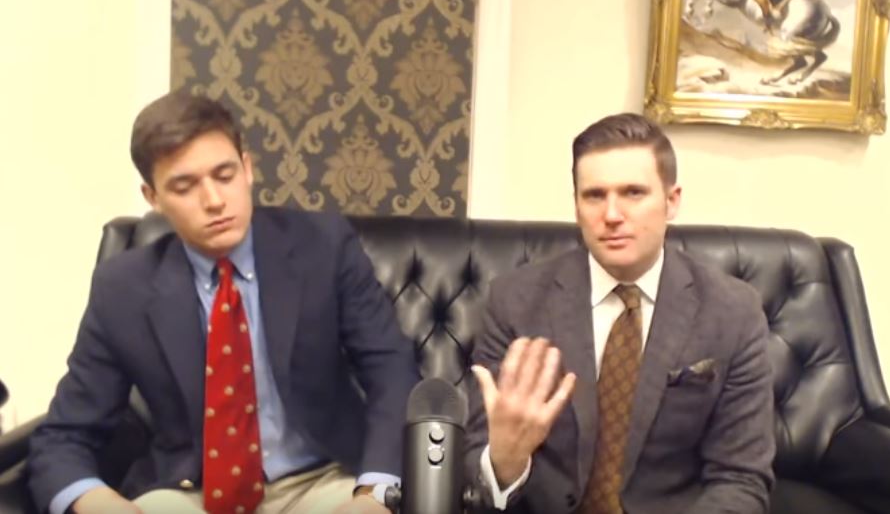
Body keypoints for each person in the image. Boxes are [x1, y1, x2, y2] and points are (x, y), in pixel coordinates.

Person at [28, 91, 420, 514]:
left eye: (224, 175)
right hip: (189, 492)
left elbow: (391, 371)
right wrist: (97, 502)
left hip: (321, 481)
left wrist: (375, 493)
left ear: (247, 169)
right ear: (153, 197)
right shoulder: (123, 287)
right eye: (185, 187)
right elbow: (64, 436)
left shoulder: (322, 247)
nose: (214, 201)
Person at [466, 113, 775, 514]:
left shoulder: (732, 310)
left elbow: (740, 479)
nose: (611, 214)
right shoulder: (515, 301)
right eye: (594, 195)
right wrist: (505, 462)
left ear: (671, 201)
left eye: (633, 193)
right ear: (576, 205)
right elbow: (476, 461)